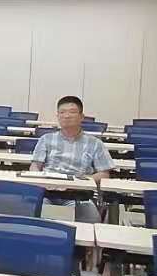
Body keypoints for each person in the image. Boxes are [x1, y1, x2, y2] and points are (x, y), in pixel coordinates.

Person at [29, 94, 114, 222]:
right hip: (47, 193)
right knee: (33, 218)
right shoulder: (46, 139)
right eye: (62, 112)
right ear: (58, 116)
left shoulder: (95, 143)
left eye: (72, 112)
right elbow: (35, 166)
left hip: (78, 195)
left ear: (81, 117)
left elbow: (104, 174)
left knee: (91, 222)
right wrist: (39, 180)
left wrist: (82, 181)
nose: (67, 116)